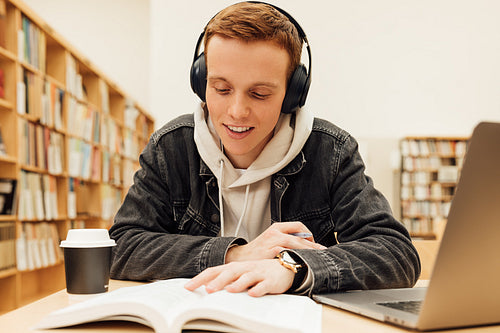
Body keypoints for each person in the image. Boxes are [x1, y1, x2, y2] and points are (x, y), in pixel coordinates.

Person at [109, 2, 420, 297]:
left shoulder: (331, 151)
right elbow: (121, 246)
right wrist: (235, 254)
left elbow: (396, 253)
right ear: (200, 81)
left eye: (259, 94)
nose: (236, 111)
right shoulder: (170, 148)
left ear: (292, 94)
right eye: (221, 89)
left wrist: (294, 268)